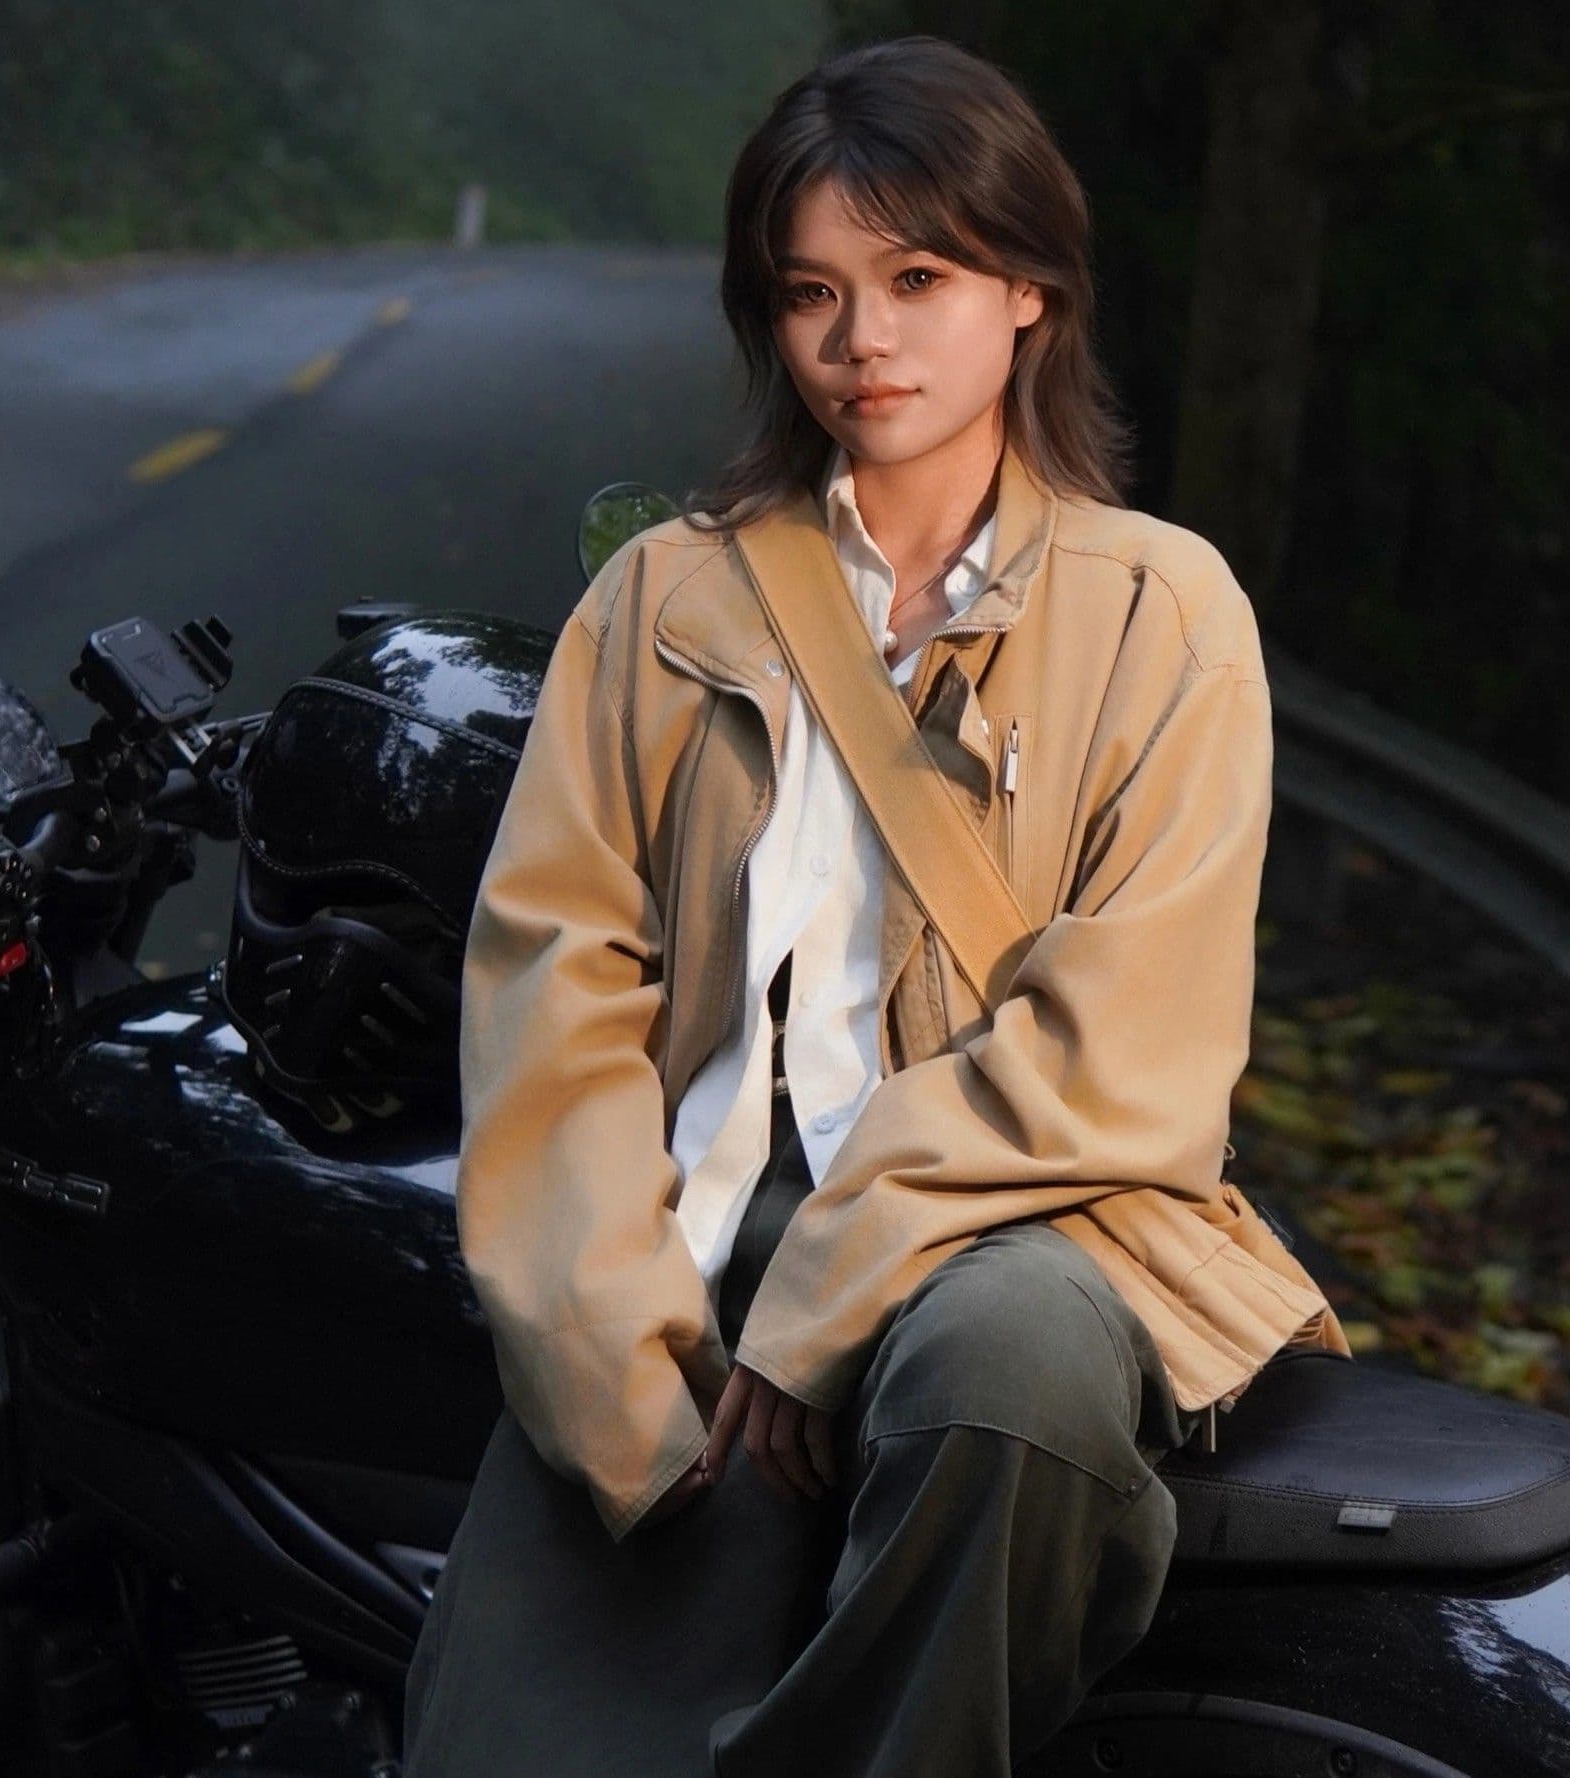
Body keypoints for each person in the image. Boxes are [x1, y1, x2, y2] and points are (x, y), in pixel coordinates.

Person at [403, 33, 1349, 1778]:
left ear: (1030, 293)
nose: (864, 339)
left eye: (918, 277)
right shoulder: (659, 603)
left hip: (1013, 1223)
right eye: (811, 291)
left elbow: (1128, 1051)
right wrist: (614, 1356)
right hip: (684, 1232)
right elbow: (553, 994)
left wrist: (831, 1285)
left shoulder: (1166, 614)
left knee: (1021, 1379)